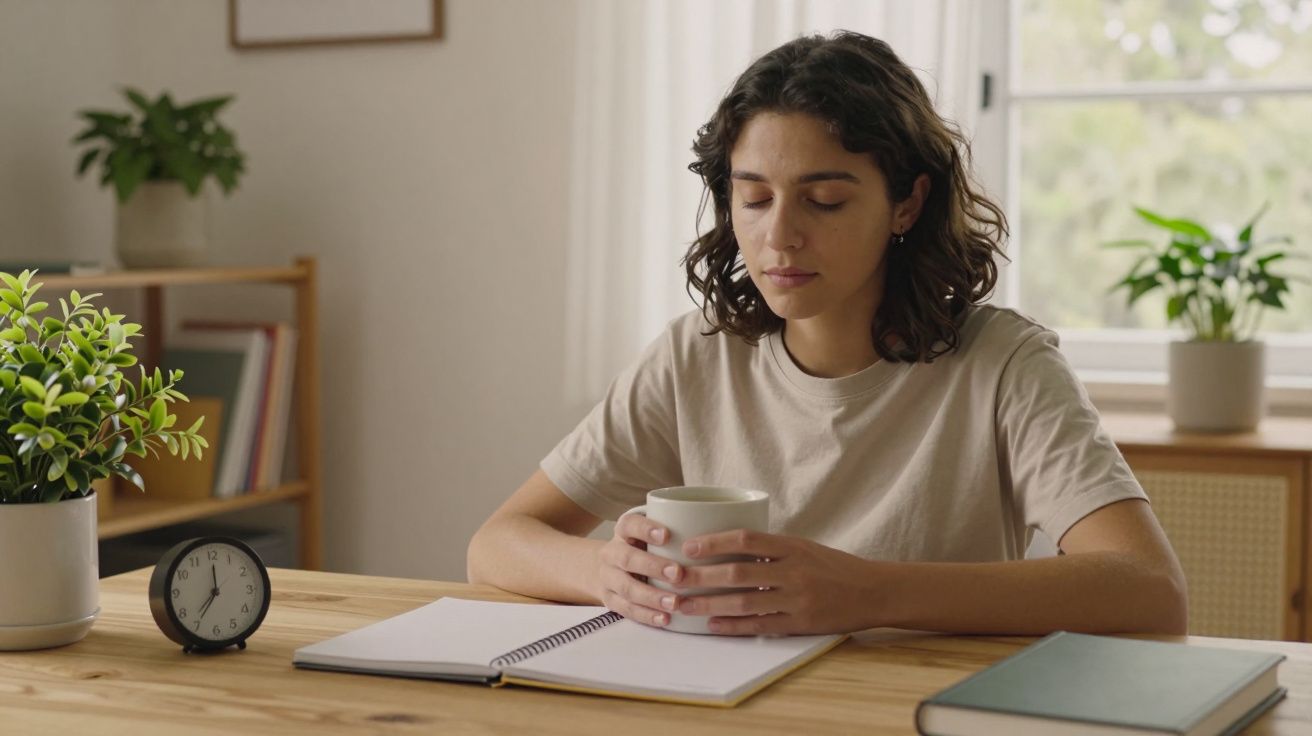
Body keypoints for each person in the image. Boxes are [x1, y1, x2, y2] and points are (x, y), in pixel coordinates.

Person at [467, 31, 1187, 637]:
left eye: (825, 200)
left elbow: (1151, 593)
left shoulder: (1004, 365)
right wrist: (606, 573)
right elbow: (495, 544)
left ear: (907, 202)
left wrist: (870, 593)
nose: (779, 235)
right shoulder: (696, 356)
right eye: (753, 198)